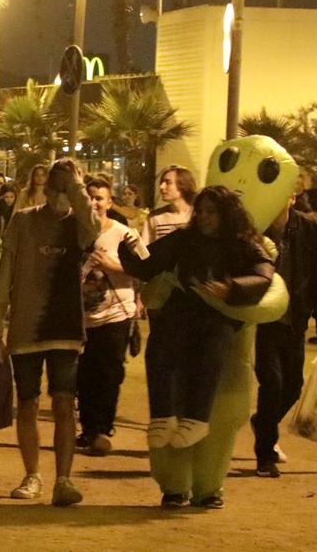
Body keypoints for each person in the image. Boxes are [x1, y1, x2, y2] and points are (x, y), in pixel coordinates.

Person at [118, 187, 273, 494]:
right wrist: (128, 252)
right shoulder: (184, 240)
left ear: (225, 214)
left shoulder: (242, 244)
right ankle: (162, 416)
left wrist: (232, 288)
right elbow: (151, 264)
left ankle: (197, 417)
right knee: (159, 350)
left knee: (210, 350)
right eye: (200, 211)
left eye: (211, 212)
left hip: (218, 318)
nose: (203, 218)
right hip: (182, 312)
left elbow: (264, 272)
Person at [0, 158, 99, 507]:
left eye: (67, 191)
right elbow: (6, 268)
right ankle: (32, 473)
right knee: (28, 402)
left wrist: (77, 185)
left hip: (65, 324)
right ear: (46, 189)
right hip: (26, 324)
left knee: (65, 402)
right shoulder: (23, 220)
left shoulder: (79, 226)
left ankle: (63, 479)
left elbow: (93, 228)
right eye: (57, 189)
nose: (62, 197)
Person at [251, 192, 317, 478]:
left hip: (296, 317)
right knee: (272, 383)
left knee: (293, 385)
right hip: (266, 319)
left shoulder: (308, 228)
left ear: (292, 197)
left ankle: (263, 423)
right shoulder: (257, 230)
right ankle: (265, 455)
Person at [75, 176, 139, 457]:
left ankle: (103, 428)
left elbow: (145, 268)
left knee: (110, 373)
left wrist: (113, 265)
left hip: (116, 314)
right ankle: (88, 428)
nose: (94, 203)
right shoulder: (74, 232)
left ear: (110, 202)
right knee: (84, 375)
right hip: (81, 316)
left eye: (100, 198)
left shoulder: (125, 234)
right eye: (89, 197)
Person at [142, 166, 196, 244]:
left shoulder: (197, 214)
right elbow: (145, 250)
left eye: (168, 182)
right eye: (162, 183)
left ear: (183, 185)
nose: (161, 187)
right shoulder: (155, 217)